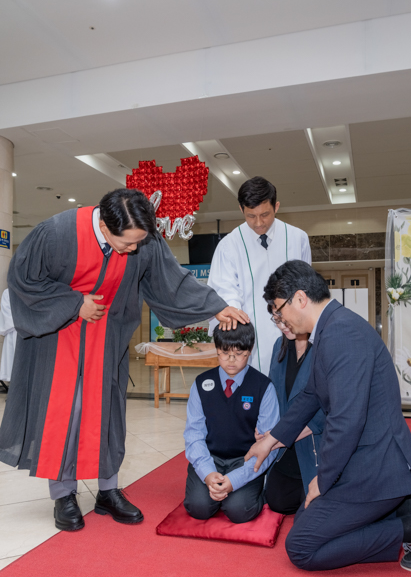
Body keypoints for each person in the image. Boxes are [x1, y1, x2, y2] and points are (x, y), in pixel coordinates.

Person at [0, 188, 248, 532]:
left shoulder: (142, 238)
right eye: (127, 243)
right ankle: (64, 494)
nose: (133, 250)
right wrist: (74, 304)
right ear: (104, 226)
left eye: (138, 243)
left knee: (108, 414)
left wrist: (215, 306)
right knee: (65, 414)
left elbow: (171, 279)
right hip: (58, 340)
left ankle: (107, 490)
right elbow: (23, 281)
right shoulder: (56, 233)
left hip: (107, 337)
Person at [245, 260, 411, 574]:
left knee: (301, 547)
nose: (279, 318)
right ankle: (407, 506)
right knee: (306, 519)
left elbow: (345, 421)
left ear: (300, 299)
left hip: (374, 468)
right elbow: (310, 396)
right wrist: (270, 441)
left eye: (277, 309)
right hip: (362, 461)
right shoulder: (331, 329)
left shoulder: (341, 334)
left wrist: (322, 482)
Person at [207, 176, 311, 375]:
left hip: (294, 333)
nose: (259, 223)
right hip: (251, 337)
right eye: (251, 216)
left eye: (265, 214)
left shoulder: (298, 238)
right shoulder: (229, 246)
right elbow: (224, 295)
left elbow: (307, 290)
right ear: (241, 210)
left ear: (277, 206)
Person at [184, 322, 280, 523]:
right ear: (217, 349)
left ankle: (252, 492)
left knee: (239, 511)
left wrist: (235, 480)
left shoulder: (263, 387)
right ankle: (217, 489)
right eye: (225, 353)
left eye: (240, 354)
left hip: (245, 461)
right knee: (198, 508)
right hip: (210, 458)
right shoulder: (201, 384)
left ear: (250, 350)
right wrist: (208, 474)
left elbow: (267, 443)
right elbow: (194, 435)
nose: (231, 360)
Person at [264, 316, 325, 515]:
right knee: (277, 501)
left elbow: (331, 406)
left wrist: (280, 436)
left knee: (311, 511)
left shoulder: (324, 347)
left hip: (315, 443)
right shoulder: (279, 346)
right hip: (286, 446)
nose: (282, 327)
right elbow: (273, 393)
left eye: (285, 319)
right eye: (276, 320)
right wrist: (266, 429)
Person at [0, 289, 17, 384]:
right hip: (14, 332)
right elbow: (7, 316)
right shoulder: (8, 292)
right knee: (13, 365)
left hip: (32, 333)